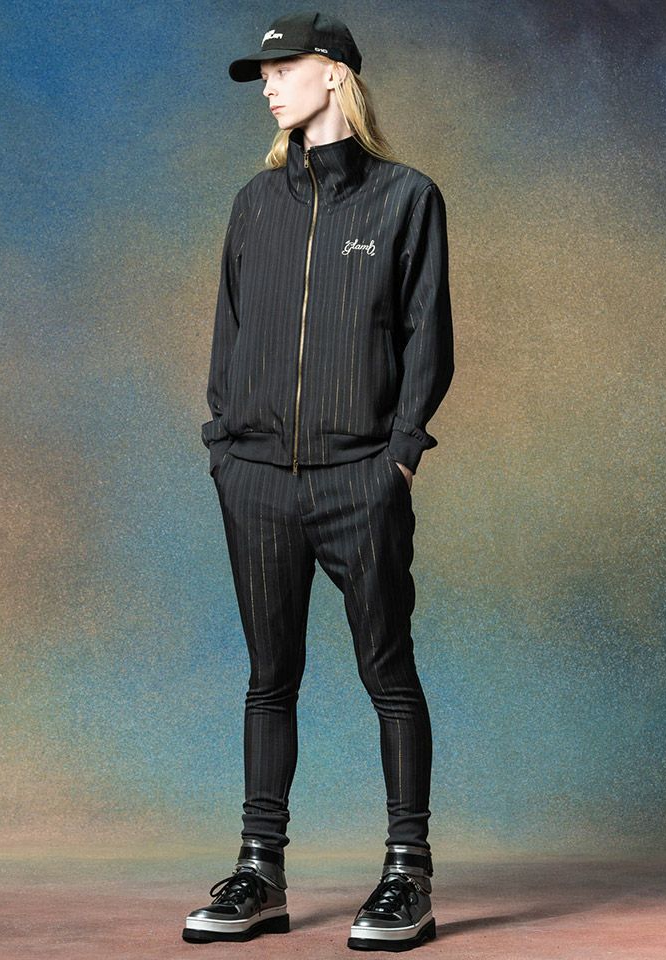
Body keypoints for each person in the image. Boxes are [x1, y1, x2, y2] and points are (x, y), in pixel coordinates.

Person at [182, 10, 454, 953]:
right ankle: (260, 873)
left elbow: (428, 337)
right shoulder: (255, 202)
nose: (267, 85)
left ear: (333, 73)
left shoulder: (407, 198)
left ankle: (407, 873)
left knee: (388, 670)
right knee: (269, 678)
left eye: (281, 68)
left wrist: (399, 455)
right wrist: (224, 447)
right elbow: (228, 332)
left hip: (358, 479)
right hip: (256, 479)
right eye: (261, 74)